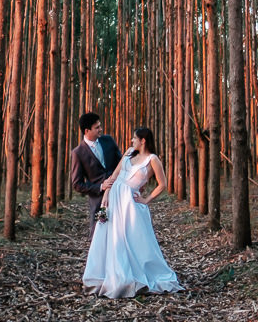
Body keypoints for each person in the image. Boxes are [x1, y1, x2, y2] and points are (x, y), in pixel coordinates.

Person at [82, 127, 182, 298]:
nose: (131, 141)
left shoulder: (152, 159)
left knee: (132, 238)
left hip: (130, 204)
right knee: (111, 237)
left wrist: (147, 199)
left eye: (134, 139)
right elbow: (114, 175)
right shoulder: (129, 153)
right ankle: (108, 274)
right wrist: (106, 193)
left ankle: (133, 275)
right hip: (114, 198)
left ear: (143, 141)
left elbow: (162, 184)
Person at [69, 112, 121, 236]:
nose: (100, 129)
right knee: (97, 235)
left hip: (118, 194)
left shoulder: (108, 140)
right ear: (87, 131)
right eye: (97, 127)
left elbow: (121, 164)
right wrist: (100, 187)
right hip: (98, 201)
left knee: (120, 232)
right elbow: (77, 184)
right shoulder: (78, 153)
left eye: (100, 126)